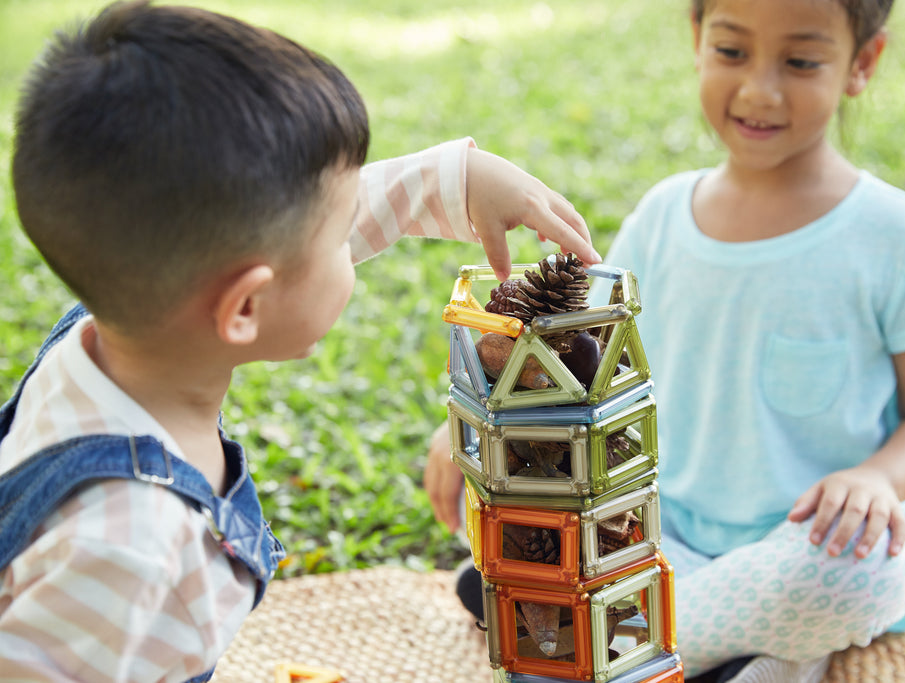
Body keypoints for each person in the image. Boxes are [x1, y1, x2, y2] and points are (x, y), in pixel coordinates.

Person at [0, 1, 602, 681]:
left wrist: (455, 181)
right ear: (246, 306)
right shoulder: (127, 550)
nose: (353, 239)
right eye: (340, 232)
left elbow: (290, 231)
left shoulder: (110, 326)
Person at [425, 1, 905, 681]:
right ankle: (683, 639)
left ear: (862, 63)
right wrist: (478, 426)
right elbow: (572, 355)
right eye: (732, 52)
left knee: (862, 573)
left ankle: (601, 631)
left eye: (800, 61)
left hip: (805, 546)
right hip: (654, 529)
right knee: (520, 502)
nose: (759, 90)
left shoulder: (898, 235)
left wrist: (877, 478)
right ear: (697, 40)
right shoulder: (661, 217)